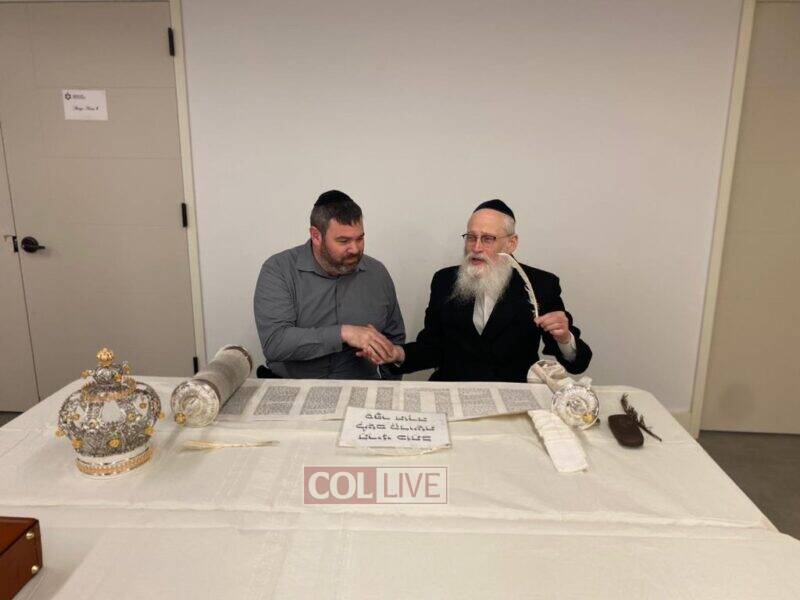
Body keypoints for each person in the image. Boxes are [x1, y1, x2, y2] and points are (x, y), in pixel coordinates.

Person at [362, 199, 591, 382]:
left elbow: (577, 362)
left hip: (513, 399)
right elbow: (432, 348)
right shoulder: (444, 281)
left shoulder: (541, 284)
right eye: (471, 237)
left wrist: (564, 338)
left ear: (511, 243)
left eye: (488, 239)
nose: (477, 247)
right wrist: (397, 354)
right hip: (454, 393)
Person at [254, 190, 404, 379]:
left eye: (360, 238)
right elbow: (275, 343)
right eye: (344, 241)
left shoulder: (377, 273)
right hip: (295, 388)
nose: (355, 249)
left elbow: (394, 341)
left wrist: (388, 387)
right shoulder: (278, 270)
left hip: (362, 389)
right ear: (316, 236)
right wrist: (344, 333)